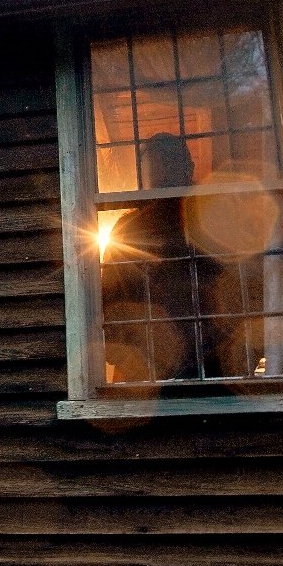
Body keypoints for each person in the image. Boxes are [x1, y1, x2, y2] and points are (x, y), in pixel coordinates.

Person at [100, 132, 222, 383]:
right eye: (156, 162)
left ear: (188, 167)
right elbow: (108, 301)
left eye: (170, 161)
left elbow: (237, 290)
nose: (164, 170)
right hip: (146, 364)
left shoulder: (211, 221)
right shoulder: (128, 229)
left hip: (208, 358)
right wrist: (124, 354)